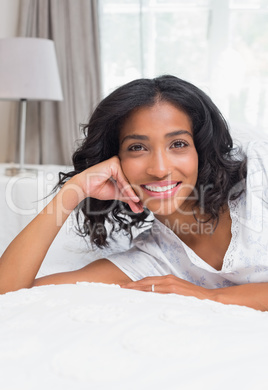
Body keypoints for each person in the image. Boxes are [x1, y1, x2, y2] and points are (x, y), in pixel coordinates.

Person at [0, 75, 268, 311]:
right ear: (114, 160)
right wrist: (74, 190)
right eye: (137, 147)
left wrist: (211, 297)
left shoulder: (260, 171)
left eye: (178, 144)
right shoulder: (153, 260)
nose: (160, 169)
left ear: (201, 150)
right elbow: (9, 292)